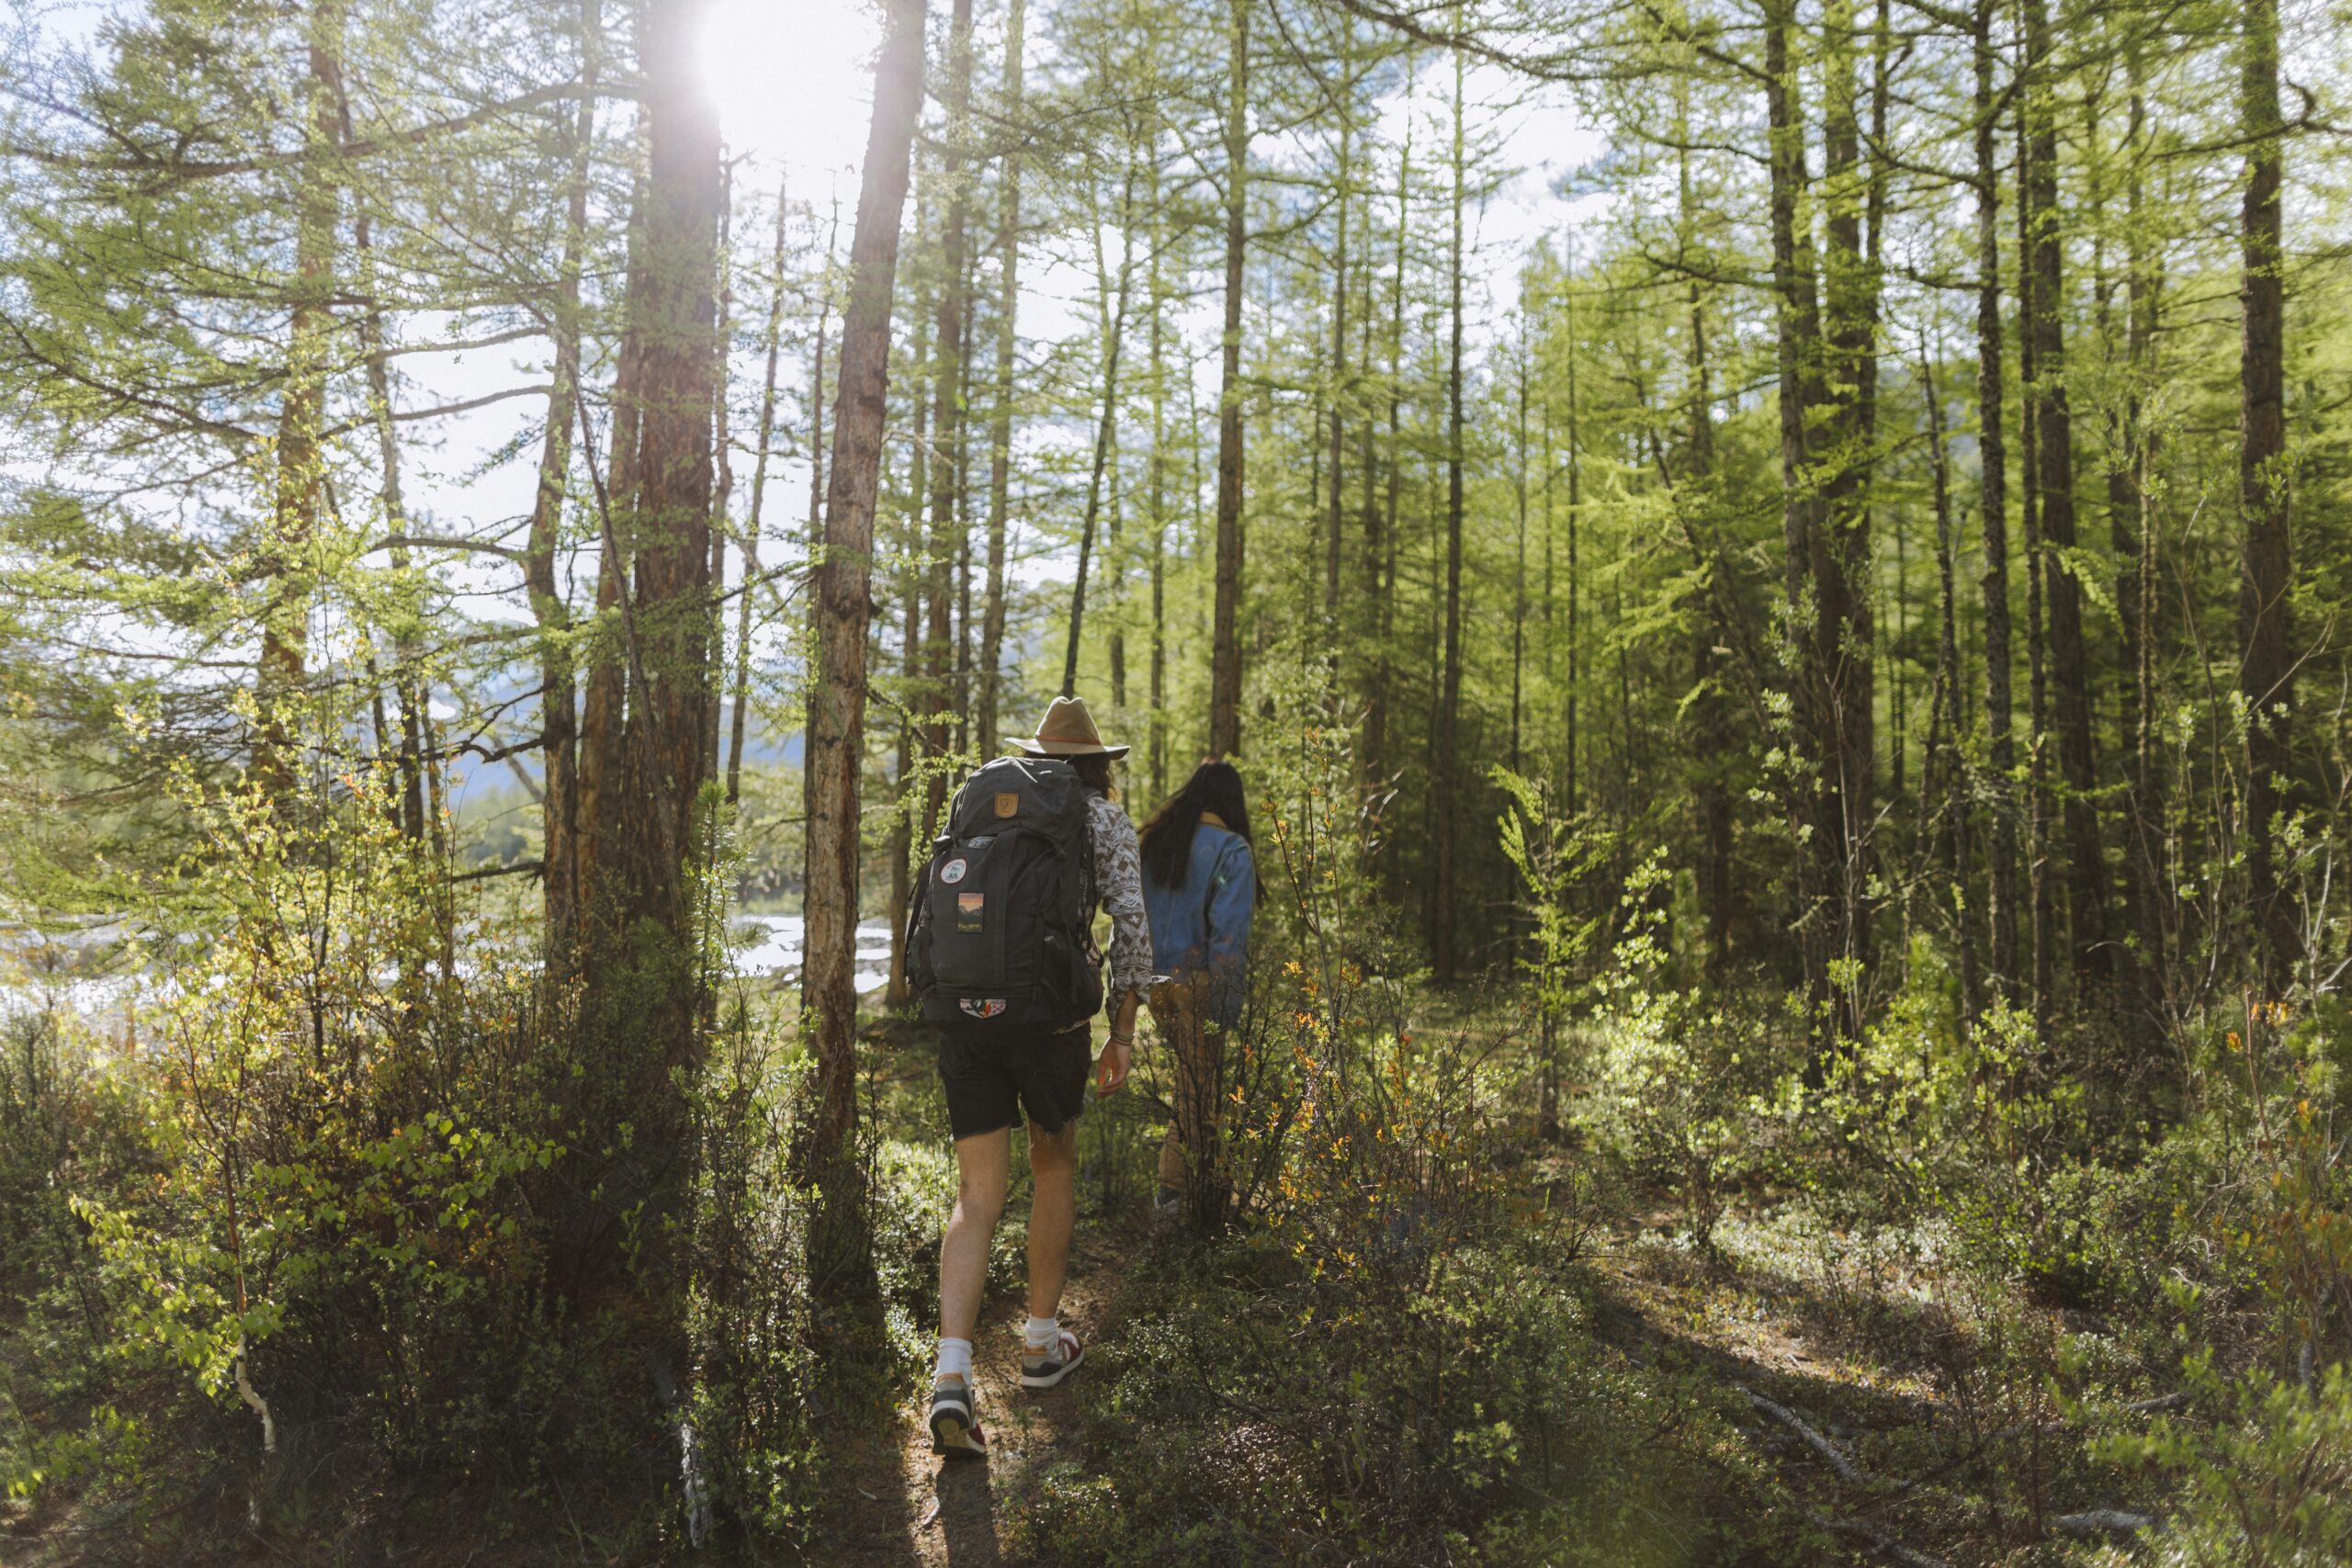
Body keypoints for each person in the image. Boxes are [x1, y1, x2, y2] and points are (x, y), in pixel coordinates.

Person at [924, 695, 1150, 1459]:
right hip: (1049, 1020)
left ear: (1037, 756)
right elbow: (1131, 926)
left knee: (974, 1196)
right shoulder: (1103, 818)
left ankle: (950, 1374)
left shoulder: (982, 798)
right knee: (1052, 1167)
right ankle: (1041, 1344)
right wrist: (1122, 1030)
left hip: (966, 1015)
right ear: (1097, 765)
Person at [1136, 758, 1259, 1224]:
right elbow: (1229, 938)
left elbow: (1132, 916)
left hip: (1156, 985)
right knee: (1193, 1094)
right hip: (1200, 987)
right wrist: (1226, 1009)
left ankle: (1204, 1201)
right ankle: (1170, 1207)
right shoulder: (1232, 850)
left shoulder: (1160, 840)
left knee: (1195, 1088)